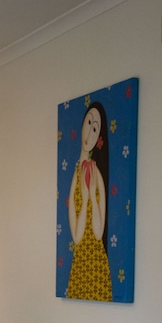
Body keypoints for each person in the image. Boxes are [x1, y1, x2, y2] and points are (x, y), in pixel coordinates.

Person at [65, 102, 112, 301]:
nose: (89, 132)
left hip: (96, 264)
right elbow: (77, 238)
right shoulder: (75, 176)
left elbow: (99, 233)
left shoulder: (97, 176)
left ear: (99, 136)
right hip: (80, 267)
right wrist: (84, 200)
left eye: (95, 128)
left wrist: (92, 195)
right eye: (88, 123)